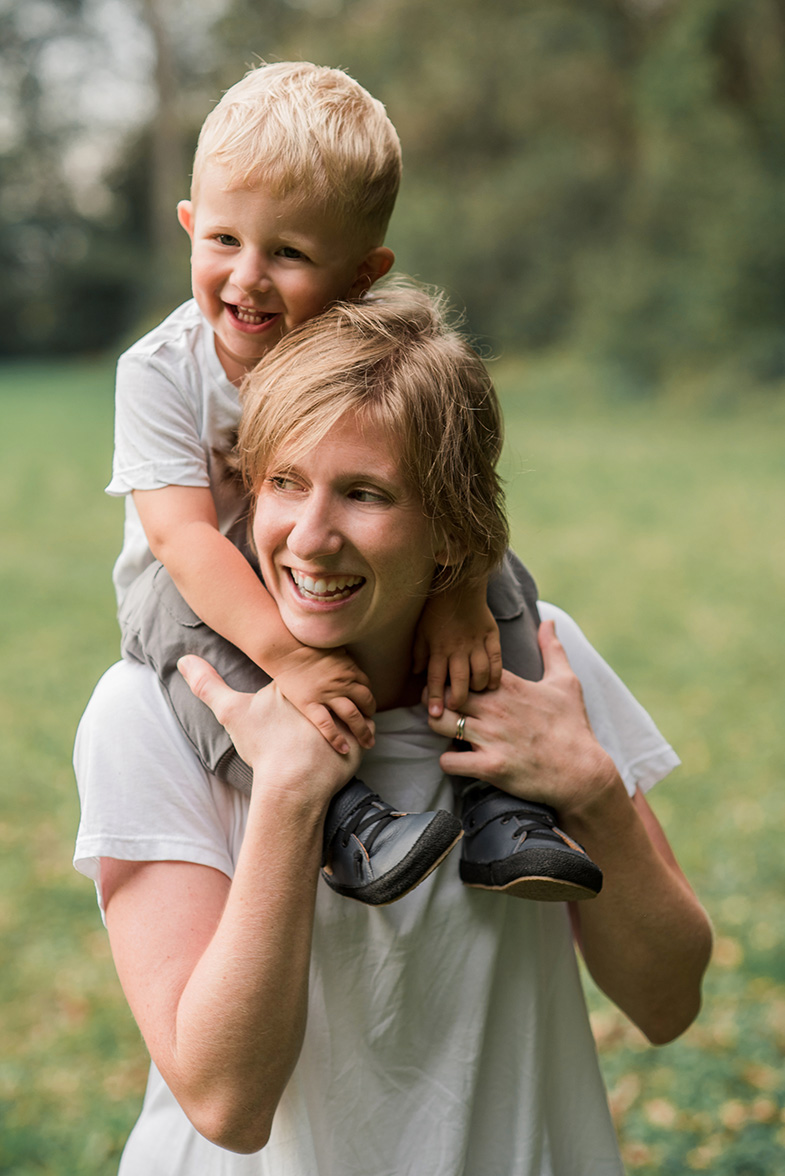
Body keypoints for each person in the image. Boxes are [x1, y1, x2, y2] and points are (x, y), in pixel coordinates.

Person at [74, 286, 713, 1175]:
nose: (308, 536)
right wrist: (293, 793)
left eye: (364, 493)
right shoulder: (156, 708)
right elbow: (226, 1102)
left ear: (452, 536)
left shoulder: (539, 671)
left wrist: (593, 790)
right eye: (283, 483)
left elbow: (667, 1000)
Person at [109, 59, 602, 904]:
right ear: (190, 223)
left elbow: (458, 487)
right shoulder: (161, 369)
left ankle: (505, 803)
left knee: (499, 574)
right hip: (211, 584)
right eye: (223, 239)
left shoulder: (379, 355)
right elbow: (179, 536)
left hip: (338, 567)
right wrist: (285, 661)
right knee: (176, 631)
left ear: (362, 274)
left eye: (289, 252)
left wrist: (457, 594)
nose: (247, 276)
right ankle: (345, 820)